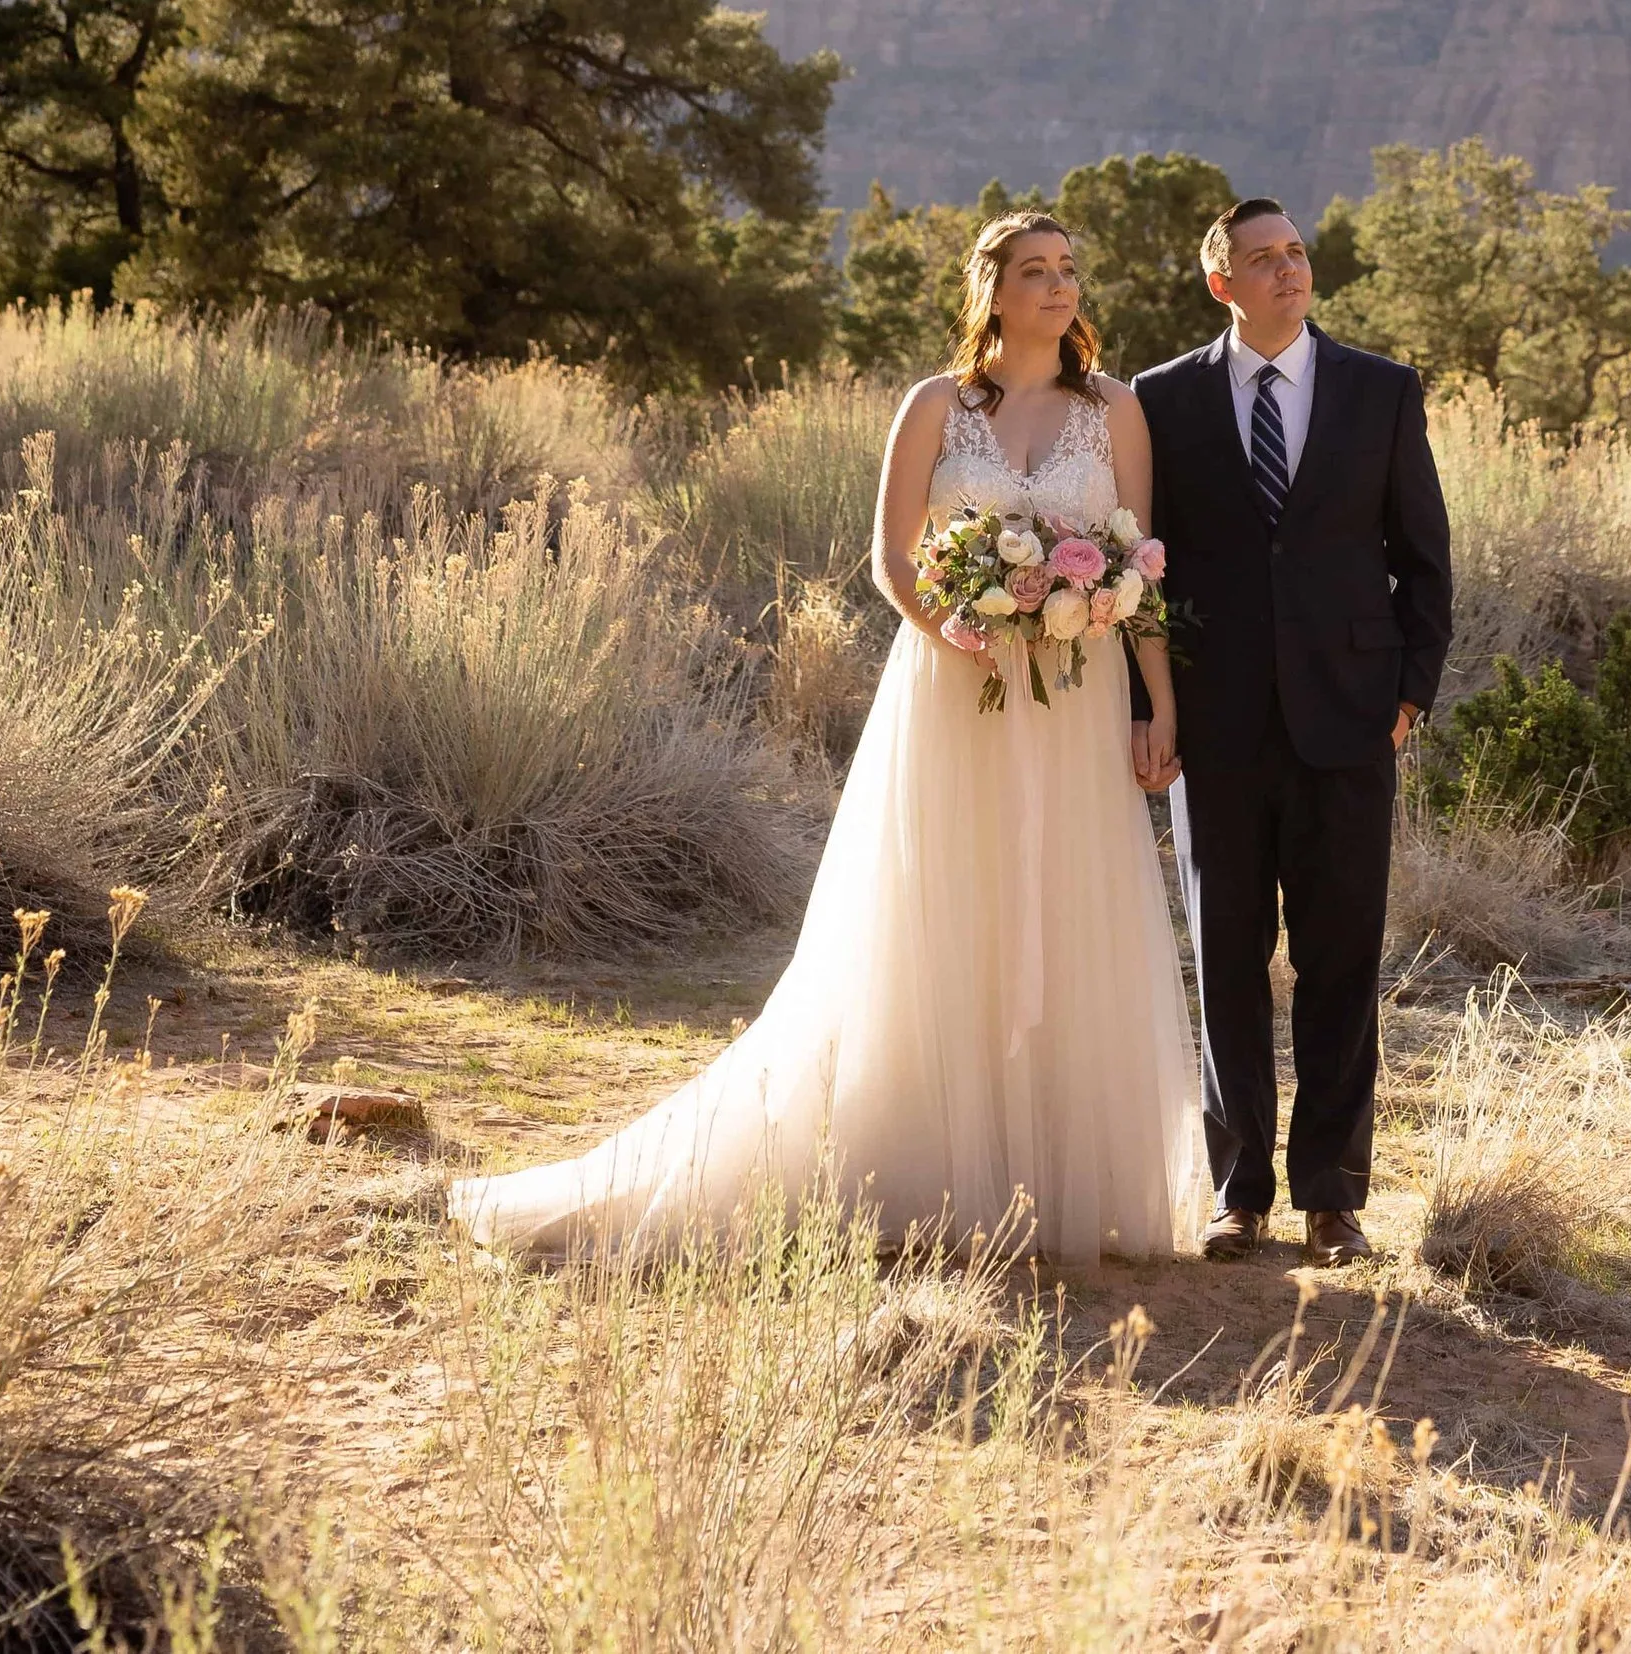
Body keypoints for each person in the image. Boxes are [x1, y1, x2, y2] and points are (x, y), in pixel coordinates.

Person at [450, 210, 1201, 1266]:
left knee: (1064, 903)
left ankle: (1054, 1173)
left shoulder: (1115, 411)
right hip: (955, 687)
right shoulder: (934, 406)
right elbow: (890, 558)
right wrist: (951, 625)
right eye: (1035, 271)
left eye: (1069, 269)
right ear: (991, 290)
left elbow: (1141, 566)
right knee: (952, 904)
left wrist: (1156, 705)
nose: (1058, 287)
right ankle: (926, 1154)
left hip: (1075, 698)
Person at [1133, 199, 1453, 1267]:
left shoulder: (1380, 389)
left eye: (1297, 254)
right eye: (1262, 259)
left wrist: (1409, 694)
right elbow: (1142, 567)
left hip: (1351, 721)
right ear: (1219, 281)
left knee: (1338, 961)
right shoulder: (1159, 400)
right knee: (1225, 962)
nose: (1288, 271)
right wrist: (1151, 711)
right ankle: (1238, 1196)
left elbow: (1423, 557)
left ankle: (1331, 1197)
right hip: (1214, 729)